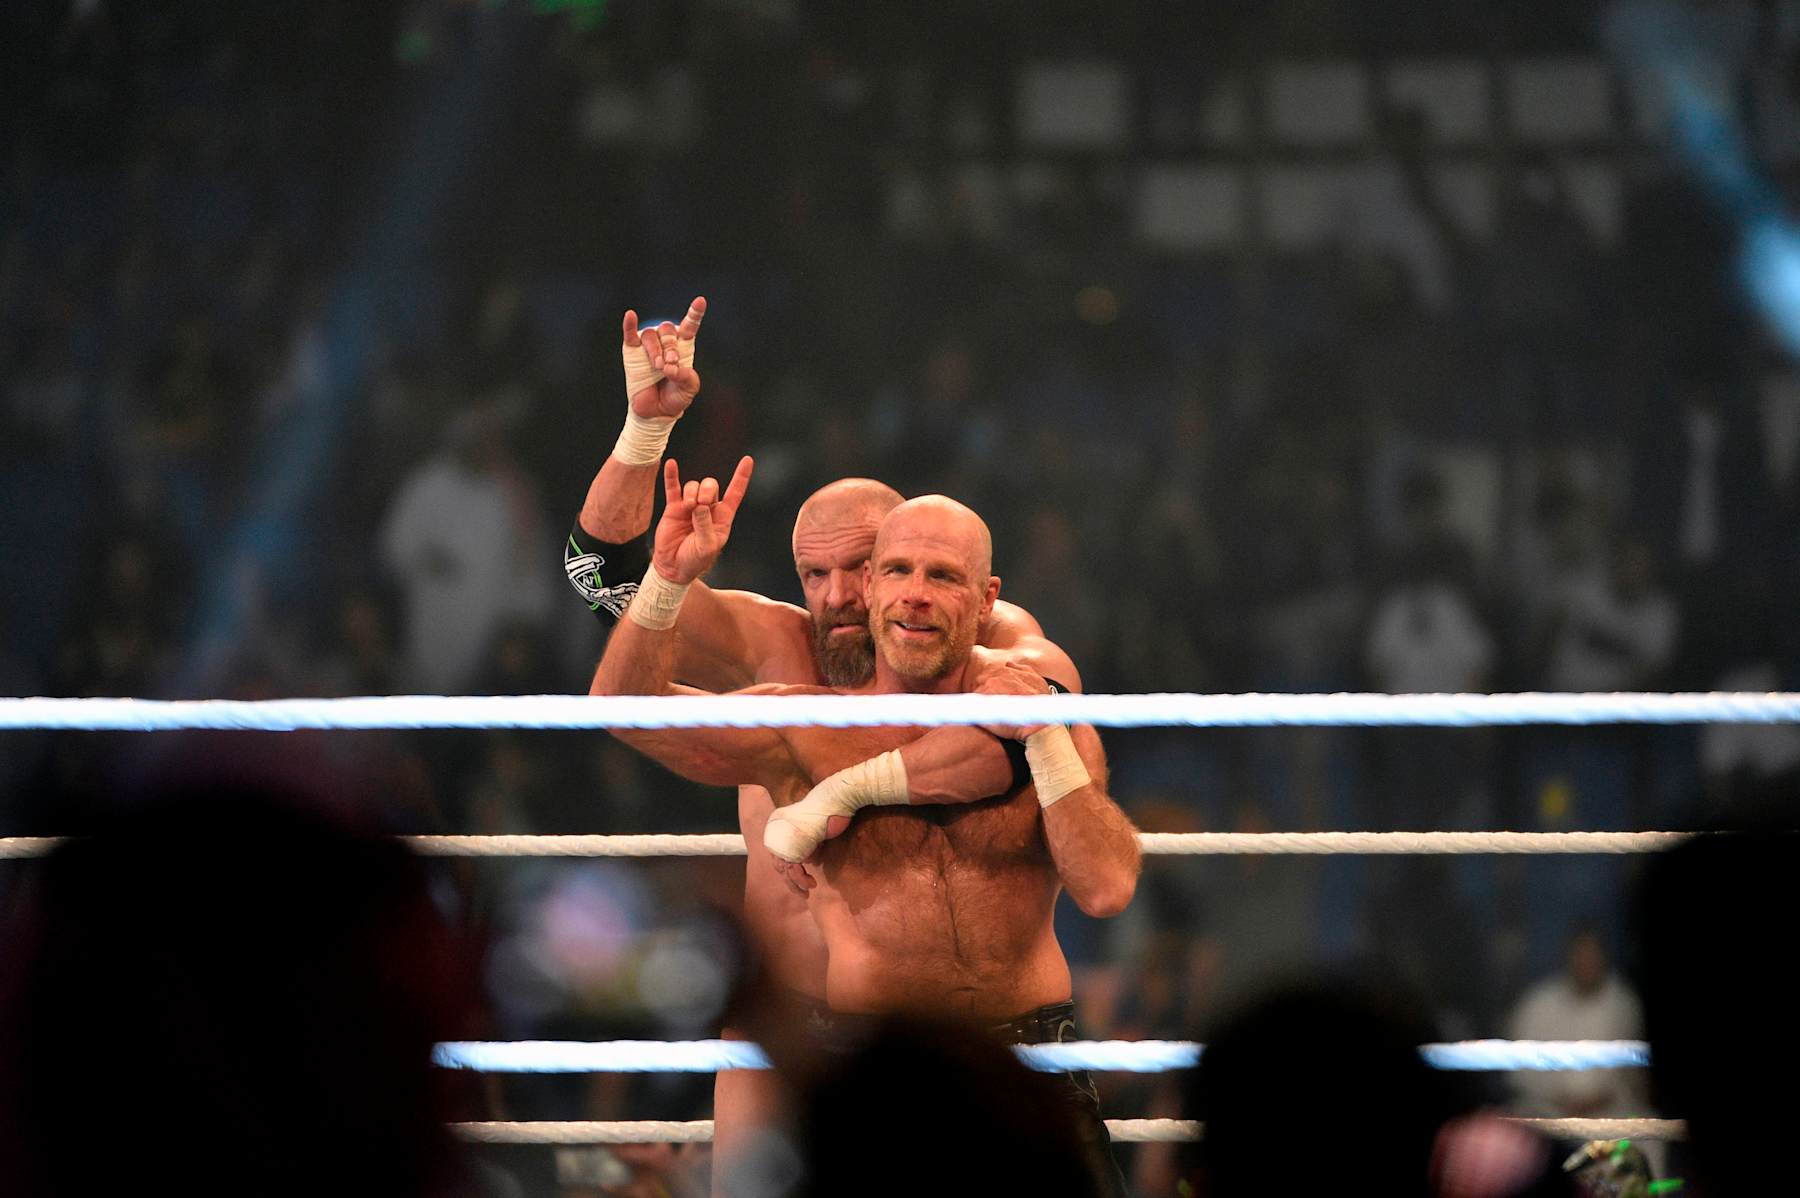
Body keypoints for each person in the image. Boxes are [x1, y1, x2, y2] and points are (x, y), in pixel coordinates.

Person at [565, 299, 1088, 1185]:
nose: (841, 594)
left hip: (937, 1025)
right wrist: (646, 431)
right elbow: (599, 578)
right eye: (816, 573)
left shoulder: (987, 629)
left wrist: (836, 794)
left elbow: (1037, 709)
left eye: (862, 566)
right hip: (784, 1017)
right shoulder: (769, 644)